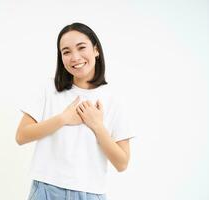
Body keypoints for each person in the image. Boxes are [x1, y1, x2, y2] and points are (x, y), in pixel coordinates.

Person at [16, 22, 135, 200]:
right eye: (66, 52)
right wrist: (63, 119)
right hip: (46, 191)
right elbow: (22, 136)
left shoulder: (114, 99)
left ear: (96, 50)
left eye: (81, 48)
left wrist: (97, 126)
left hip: (90, 194)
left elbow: (122, 163)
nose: (75, 57)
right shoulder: (49, 89)